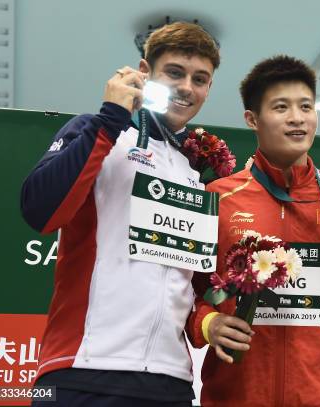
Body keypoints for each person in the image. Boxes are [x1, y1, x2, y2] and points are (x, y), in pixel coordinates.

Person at [20, 22, 220, 407]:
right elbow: (39, 211)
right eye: (174, 73)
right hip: (82, 371)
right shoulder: (99, 131)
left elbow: (195, 282)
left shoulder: (195, 170)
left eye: (200, 79)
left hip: (172, 382)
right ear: (144, 72)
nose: (187, 88)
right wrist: (110, 118)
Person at [186, 55, 320, 406]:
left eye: (306, 106)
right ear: (252, 119)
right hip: (237, 396)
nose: (297, 118)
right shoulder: (220, 198)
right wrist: (208, 322)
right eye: (281, 107)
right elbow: (184, 291)